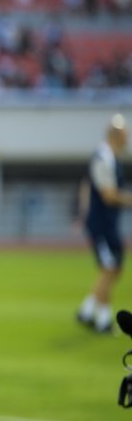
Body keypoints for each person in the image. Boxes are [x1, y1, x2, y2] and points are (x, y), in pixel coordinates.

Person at [76, 113, 132, 334]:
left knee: (114, 268)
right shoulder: (103, 157)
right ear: (116, 134)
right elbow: (108, 195)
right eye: (125, 134)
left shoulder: (109, 157)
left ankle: (88, 311)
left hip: (108, 223)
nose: (128, 138)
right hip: (101, 223)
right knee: (109, 268)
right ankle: (101, 319)